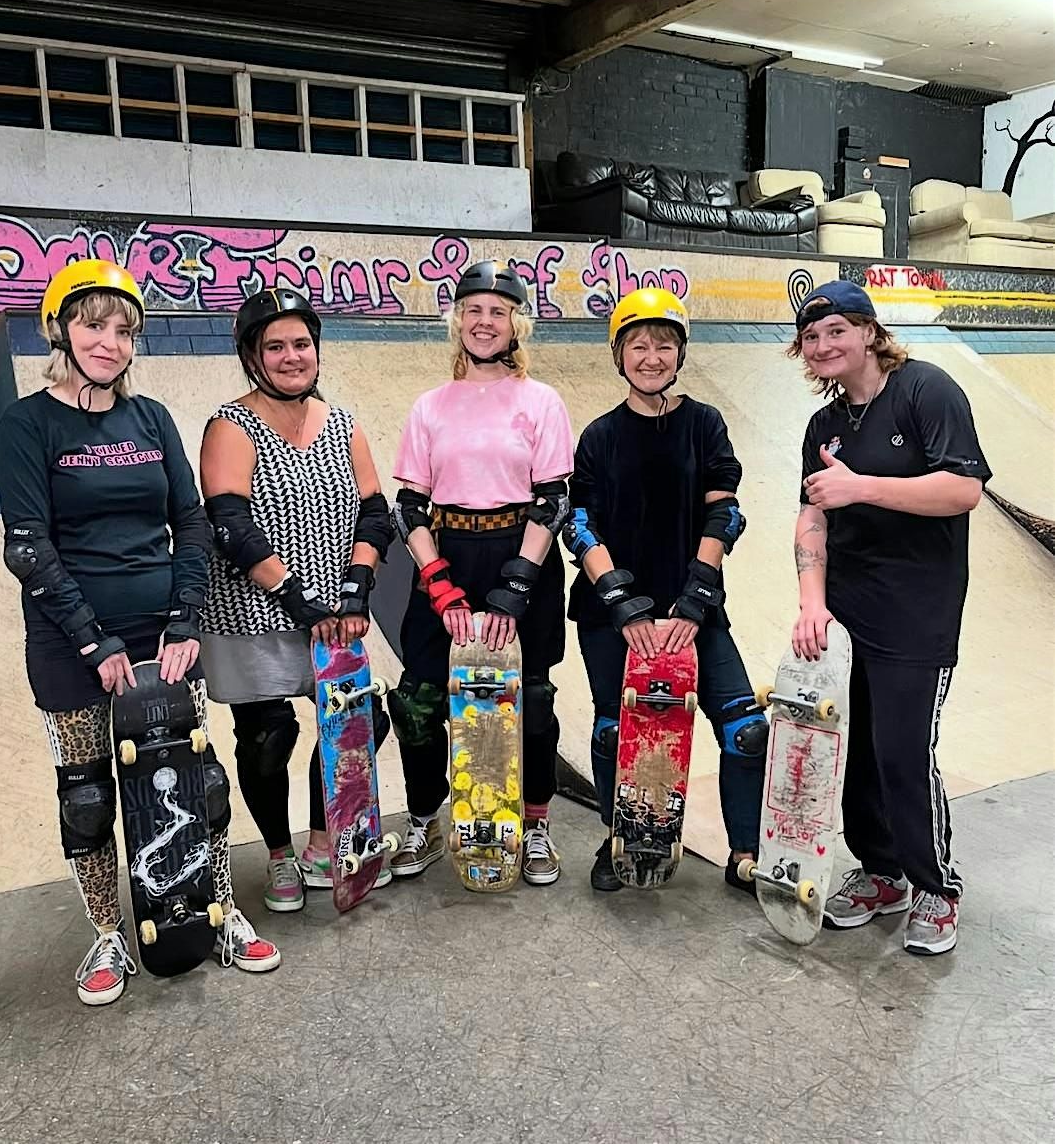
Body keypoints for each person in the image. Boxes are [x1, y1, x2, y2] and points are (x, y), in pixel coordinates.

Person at [0, 259, 279, 1007]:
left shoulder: (150, 417)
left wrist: (183, 620)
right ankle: (108, 933)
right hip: (70, 641)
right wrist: (96, 642)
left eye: (123, 331)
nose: (110, 342)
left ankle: (213, 911)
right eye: (94, 325)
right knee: (86, 796)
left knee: (197, 783)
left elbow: (189, 521)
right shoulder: (28, 422)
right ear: (60, 328)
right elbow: (27, 544)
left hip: (163, 637)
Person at [789, 280, 989, 956]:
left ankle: (936, 885)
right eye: (812, 337)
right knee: (855, 755)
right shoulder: (825, 426)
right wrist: (811, 601)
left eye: (836, 331)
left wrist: (861, 486)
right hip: (847, 613)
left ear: (870, 333)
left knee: (903, 753)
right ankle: (882, 874)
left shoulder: (926, 391)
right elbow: (813, 513)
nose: (823, 345)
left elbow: (963, 489)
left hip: (917, 615)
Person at [565, 287, 768, 893]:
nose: (651, 357)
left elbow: (724, 515)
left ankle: (744, 853)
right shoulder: (600, 435)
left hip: (694, 610)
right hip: (611, 616)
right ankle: (617, 840)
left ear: (680, 353)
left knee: (744, 730)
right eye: (637, 345)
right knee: (613, 730)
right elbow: (580, 525)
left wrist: (693, 600)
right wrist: (624, 605)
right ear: (618, 356)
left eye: (663, 345)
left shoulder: (704, 423)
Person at [199, 288, 393, 914]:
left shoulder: (341, 422)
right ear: (252, 356)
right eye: (275, 346)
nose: (291, 357)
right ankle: (277, 857)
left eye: (301, 344)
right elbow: (229, 523)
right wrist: (295, 597)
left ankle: (321, 841)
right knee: (266, 736)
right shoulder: (231, 424)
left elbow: (374, 513)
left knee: (359, 722)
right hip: (250, 614)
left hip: (334, 614)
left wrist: (356, 587)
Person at [387, 261, 574, 885]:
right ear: (456, 320)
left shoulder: (541, 401)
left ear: (516, 323)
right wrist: (439, 583)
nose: (484, 322)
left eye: (498, 311)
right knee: (417, 702)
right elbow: (409, 504)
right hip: (446, 556)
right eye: (474, 310)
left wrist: (516, 584)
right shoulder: (430, 405)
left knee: (533, 701)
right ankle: (424, 819)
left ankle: (537, 824)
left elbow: (553, 499)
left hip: (525, 555)